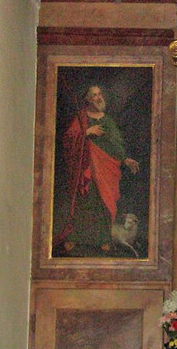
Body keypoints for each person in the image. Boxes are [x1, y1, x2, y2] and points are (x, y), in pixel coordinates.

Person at [54, 85, 140, 255]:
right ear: (88, 100)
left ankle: (103, 239)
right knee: (84, 202)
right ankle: (75, 238)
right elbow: (68, 139)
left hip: (105, 168)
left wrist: (125, 159)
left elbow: (115, 143)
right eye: (94, 95)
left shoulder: (107, 121)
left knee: (103, 203)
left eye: (100, 94)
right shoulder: (81, 118)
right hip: (85, 169)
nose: (98, 97)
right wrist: (86, 132)